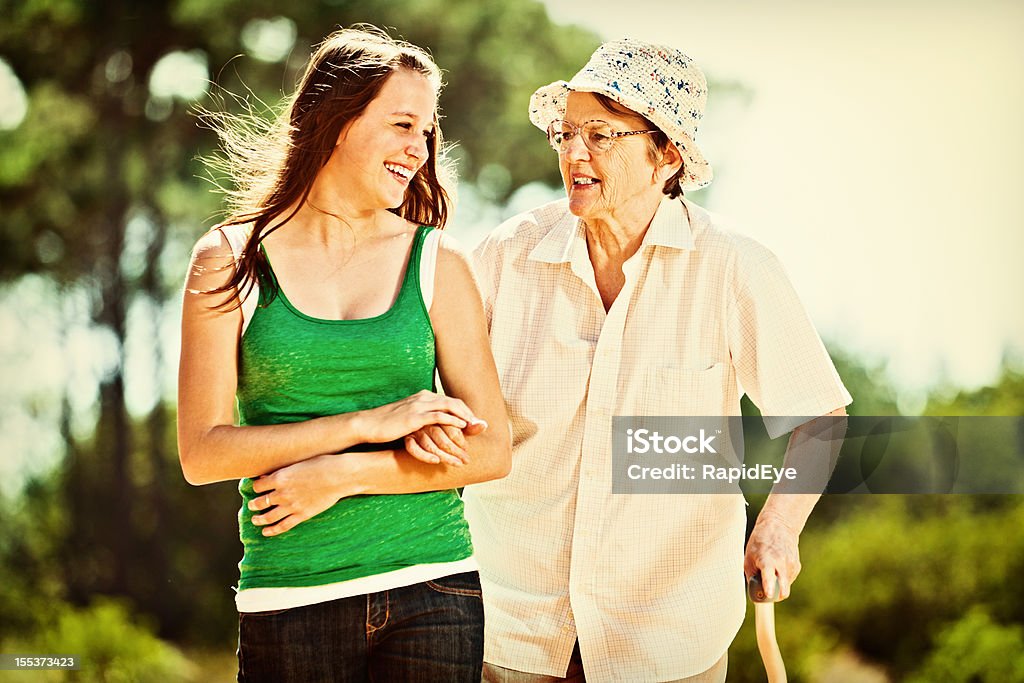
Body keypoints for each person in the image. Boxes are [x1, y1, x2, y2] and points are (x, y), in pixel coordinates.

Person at [462, 38, 851, 682]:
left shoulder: (733, 265)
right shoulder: (507, 255)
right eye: (565, 132)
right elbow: (441, 400)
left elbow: (820, 414)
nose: (573, 153)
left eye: (601, 135)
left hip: (668, 640)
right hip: (512, 634)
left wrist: (779, 525)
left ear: (665, 154)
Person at [176, 26, 511, 682]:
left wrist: (345, 473)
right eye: (402, 125)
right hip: (290, 595)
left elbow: (492, 448)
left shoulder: (439, 263)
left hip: (435, 587)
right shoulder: (229, 260)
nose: (419, 149)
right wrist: (363, 426)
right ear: (336, 122)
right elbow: (202, 451)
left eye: (427, 132)